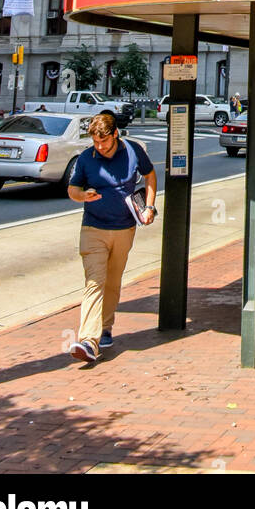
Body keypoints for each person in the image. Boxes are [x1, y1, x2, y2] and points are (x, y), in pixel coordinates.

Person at [66, 110, 156, 363]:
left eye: (104, 142)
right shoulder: (86, 158)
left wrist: (148, 207)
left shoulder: (133, 151)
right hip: (93, 228)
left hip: (124, 228)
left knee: (112, 282)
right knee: (95, 282)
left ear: (115, 134)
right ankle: (88, 340)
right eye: (95, 142)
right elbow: (72, 189)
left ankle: (105, 327)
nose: (100, 147)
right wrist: (82, 196)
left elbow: (150, 175)